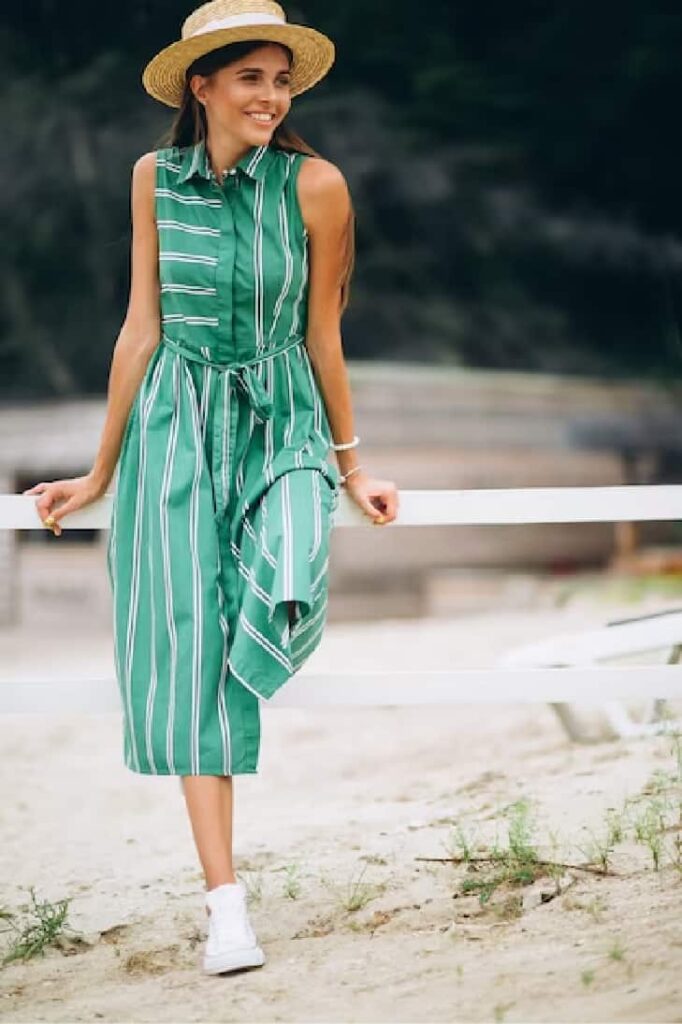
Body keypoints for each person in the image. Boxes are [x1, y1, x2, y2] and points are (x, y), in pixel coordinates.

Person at [23, 0, 399, 975]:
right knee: (187, 649)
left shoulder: (316, 187)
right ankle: (224, 904)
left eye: (280, 80)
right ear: (204, 85)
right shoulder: (153, 179)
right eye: (251, 78)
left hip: (280, 420)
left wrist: (351, 465)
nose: (271, 96)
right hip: (173, 430)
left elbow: (324, 332)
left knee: (286, 565)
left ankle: (248, 682)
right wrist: (99, 471)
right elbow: (139, 329)